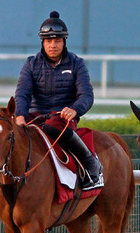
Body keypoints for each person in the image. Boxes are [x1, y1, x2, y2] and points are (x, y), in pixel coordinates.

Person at [14, 11, 103, 190]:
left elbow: (86, 95)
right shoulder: (31, 64)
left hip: (62, 120)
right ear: (42, 43)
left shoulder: (76, 64)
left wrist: (75, 109)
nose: (53, 45)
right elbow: (22, 95)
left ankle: (91, 164)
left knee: (53, 125)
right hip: (36, 117)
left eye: (57, 41)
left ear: (64, 42)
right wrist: (20, 116)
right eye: (49, 41)